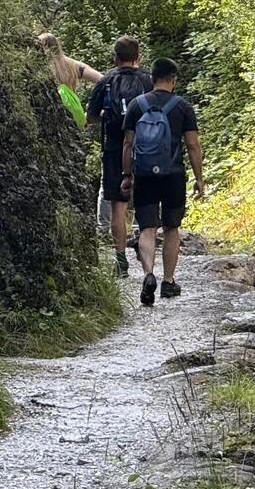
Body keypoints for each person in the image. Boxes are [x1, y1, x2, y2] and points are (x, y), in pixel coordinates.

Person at [119, 59, 203, 307]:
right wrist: (199, 178)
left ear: (152, 78)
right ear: (173, 80)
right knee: (171, 228)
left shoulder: (137, 105)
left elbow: (127, 144)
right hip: (173, 174)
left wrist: (127, 175)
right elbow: (193, 145)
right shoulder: (183, 107)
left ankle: (148, 275)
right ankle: (168, 282)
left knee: (146, 228)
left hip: (144, 175)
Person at [84, 37, 154, 277]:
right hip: (147, 148)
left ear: (115, 56)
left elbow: (91, 117)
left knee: (118, 208)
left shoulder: (105, 82)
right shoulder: (149, 80)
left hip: (114, 149)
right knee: (147, 204)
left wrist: (105, 116)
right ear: (138, 56)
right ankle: (148, 263)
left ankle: (121, 260)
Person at [37, 33, 103, 127]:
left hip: (47, 120)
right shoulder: (72, 65)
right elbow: (103, 79)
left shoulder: (37, 68)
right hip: (71, 117)